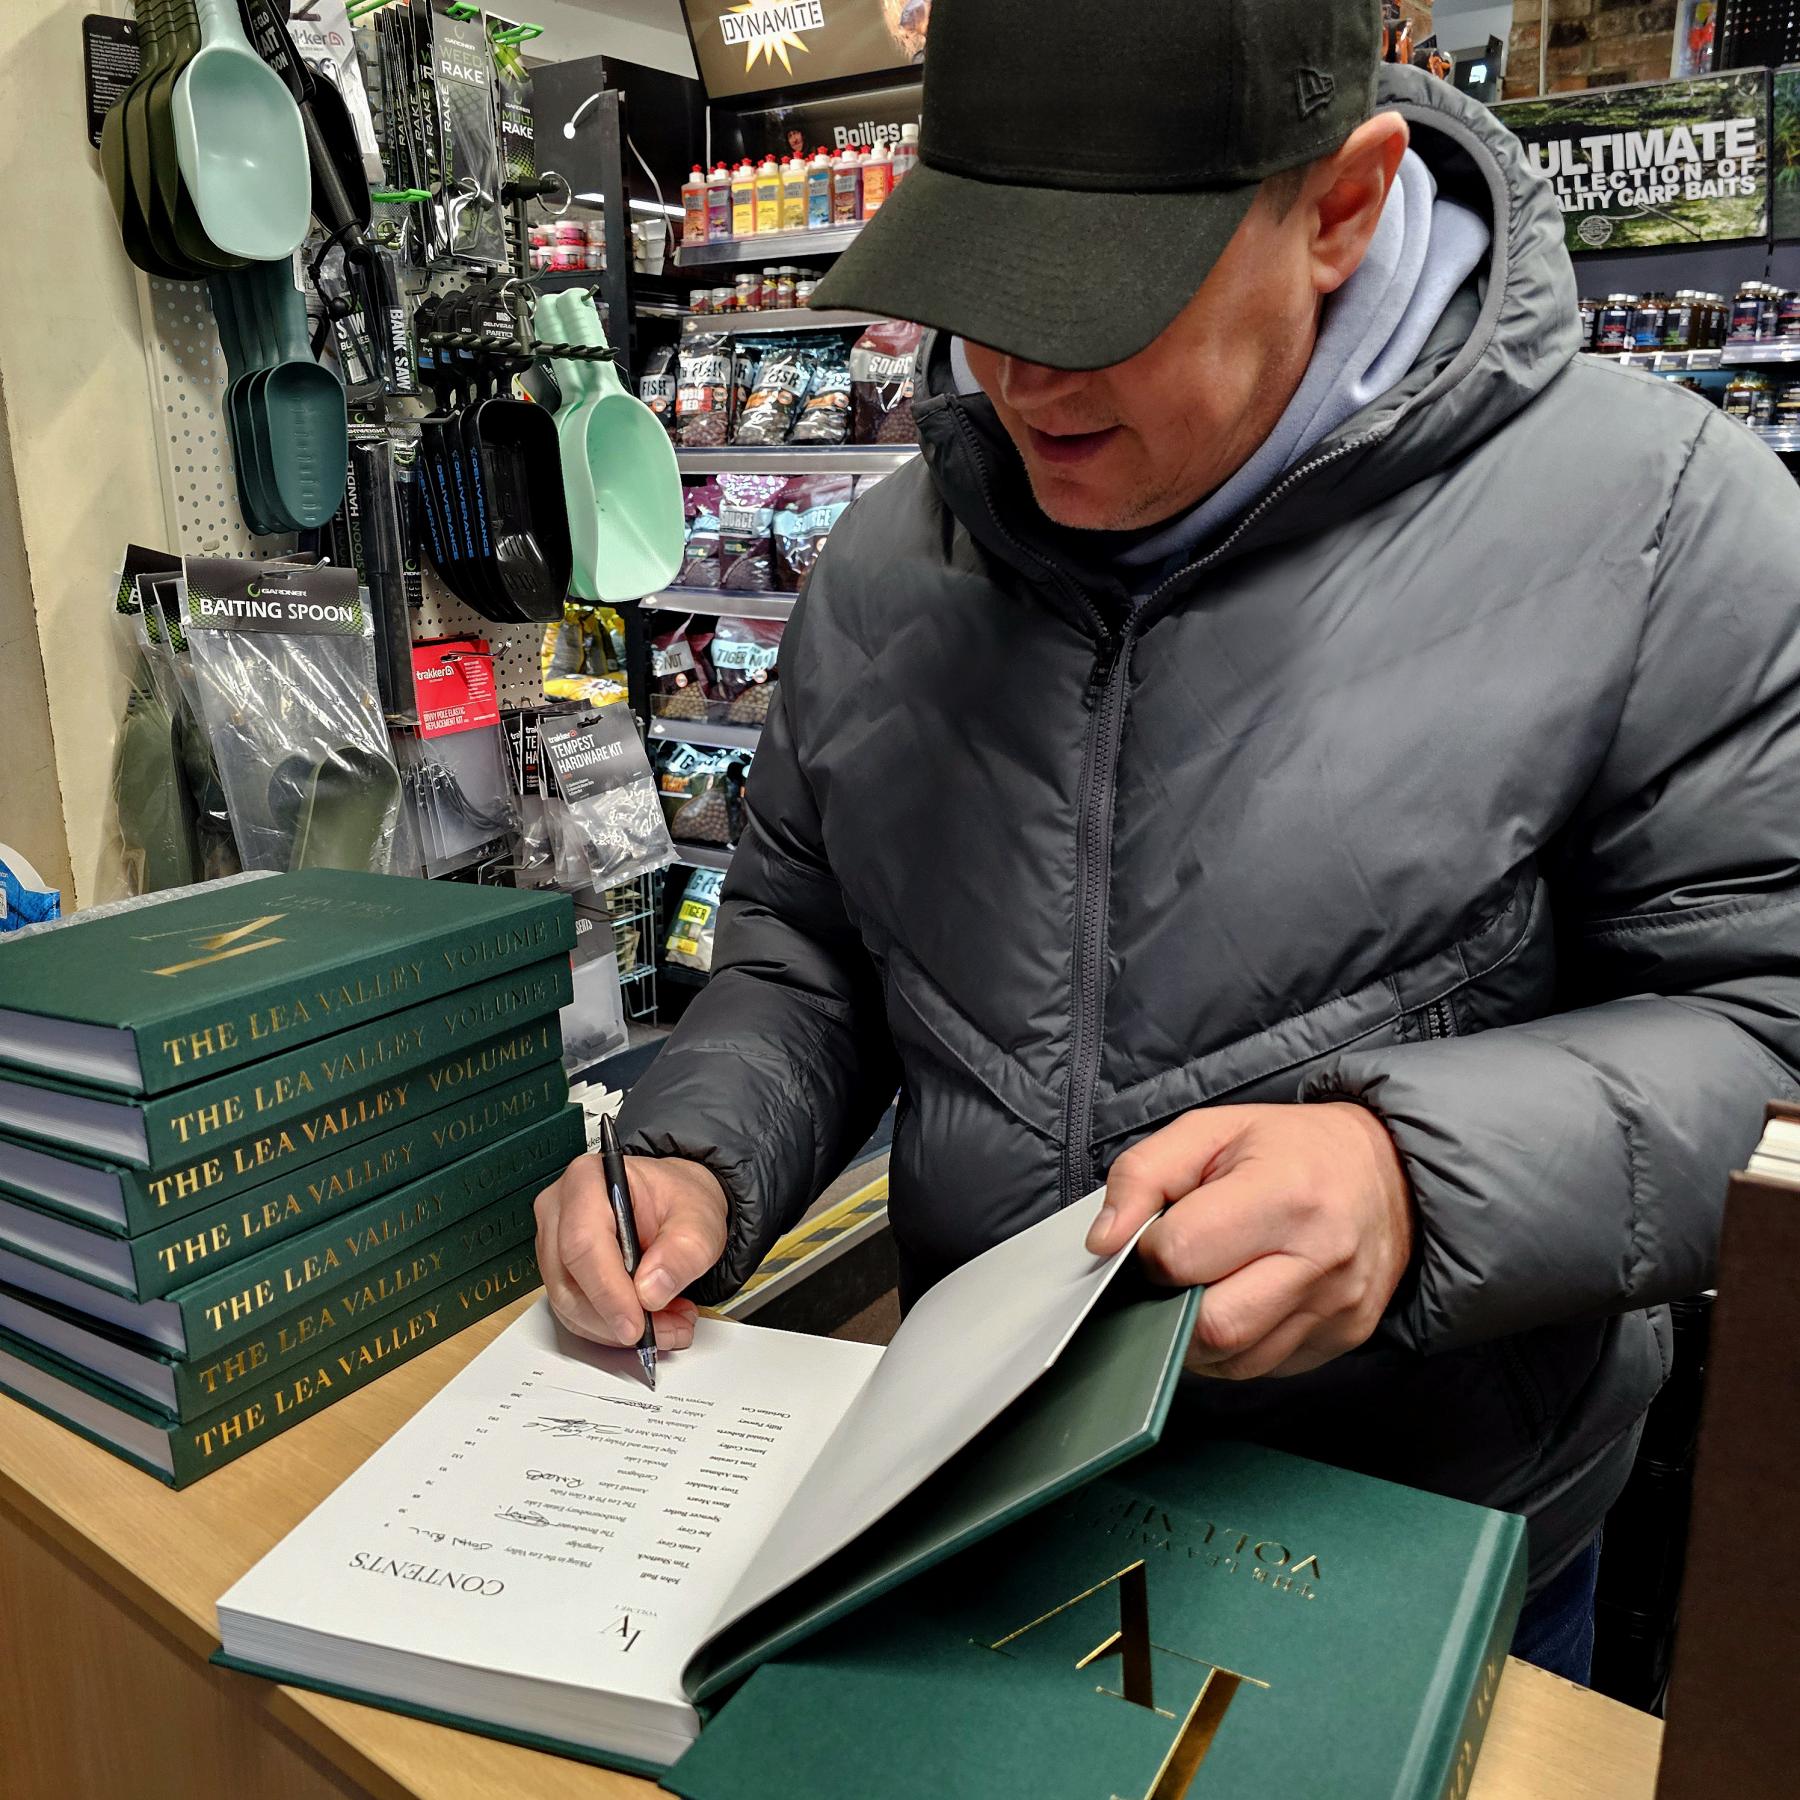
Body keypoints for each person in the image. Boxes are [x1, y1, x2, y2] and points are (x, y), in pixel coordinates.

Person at [535, 0, 1800, 1685]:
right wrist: (701, 1155)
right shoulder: (893, 562)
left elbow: (1766, 1035)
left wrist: (1418, 1181)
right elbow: (807, 953)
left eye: (1096, 303)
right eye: (984, 287)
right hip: (970, 1518)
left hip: (1421, 1558)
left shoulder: (1665, 528)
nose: (1020, 373)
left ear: (1342, 207)